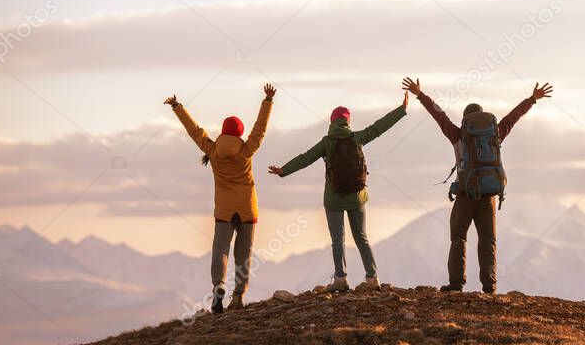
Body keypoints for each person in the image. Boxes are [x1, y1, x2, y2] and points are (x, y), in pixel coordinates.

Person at [402, 77, 553, 294]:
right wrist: (532, 99)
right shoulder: (495, 134)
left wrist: (420, 94)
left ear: (466, 121)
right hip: (489, 195)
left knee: (458, 237)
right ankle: (489, 286)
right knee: (488, 240)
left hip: (465, 195)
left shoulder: (457, 135)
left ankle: (456, 284)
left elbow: (439, 115)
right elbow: (512, 118)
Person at [268, 93, 408, 293]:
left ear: (332, 121)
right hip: (357, 197)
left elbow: (306, 157)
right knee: (361, 237)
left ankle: (340, 278)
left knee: (338, 239)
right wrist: (401, 110)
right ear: (348, 121)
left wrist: (284, 170)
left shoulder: (327, 142)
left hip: (334, 199)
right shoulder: (357, 137)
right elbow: (379, 128)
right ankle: (372, 278)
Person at [165, 84, 275, 314]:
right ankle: (238, 297)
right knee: (243, 254)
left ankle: (219, 285)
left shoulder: (212, 150)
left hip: (224, 210)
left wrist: (177, 107)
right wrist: (267, 101)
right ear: (239, 132)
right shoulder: (246, 150)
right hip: (247, 208)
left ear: (224, 131)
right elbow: (260, 130)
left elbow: (194, 131)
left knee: (221, 249)